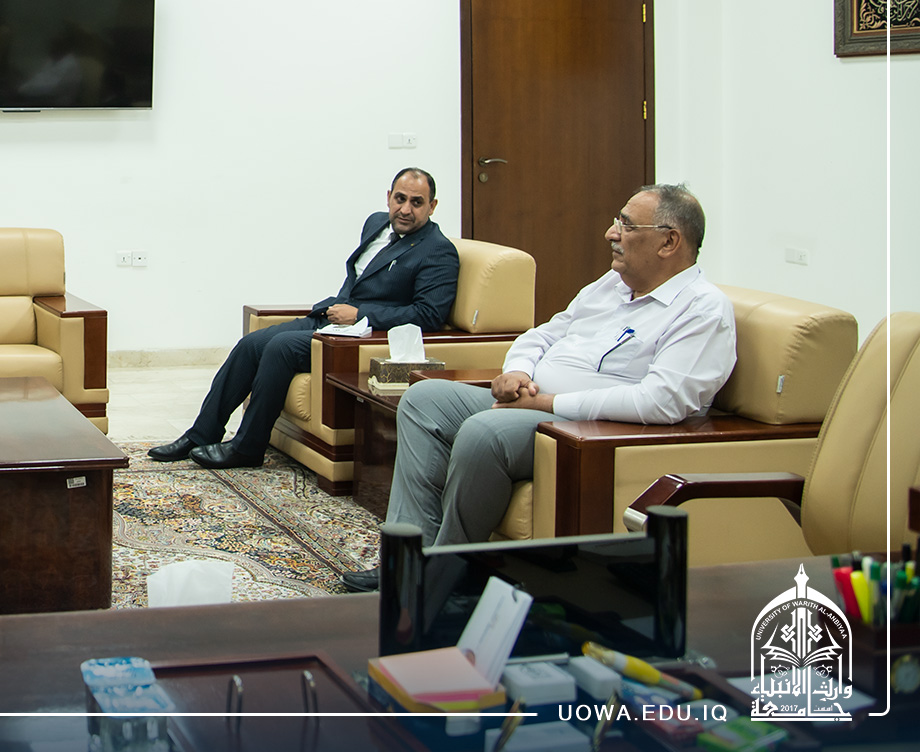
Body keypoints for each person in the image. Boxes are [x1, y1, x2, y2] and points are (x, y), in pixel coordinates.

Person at [340, 183, 734, 592]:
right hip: (535, 403)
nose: (611, 233)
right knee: (424, 399)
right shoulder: (611, 285)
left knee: (484, 432)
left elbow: (661, 402)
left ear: (669, 242)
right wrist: (518, 373)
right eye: (617, 221)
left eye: (627, 225)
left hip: (588, 429)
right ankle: (408, 558)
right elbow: (542, 335)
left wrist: (547, 403)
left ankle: (445, 573)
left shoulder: (702, 309)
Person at [151, 169, 459, 469]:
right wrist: (343, 310)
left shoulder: (438, 251)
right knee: (250, 344)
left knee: (281, 347)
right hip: (332, 318)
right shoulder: (377, 223)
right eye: (400, 199)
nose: (405, 210)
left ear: (432, 206)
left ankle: (247, 448)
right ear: (389, 196)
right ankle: (201, 434)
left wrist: (360, 314)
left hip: (364, 335)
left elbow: (429, 315)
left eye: (416, 203)